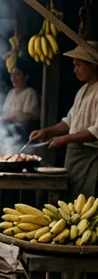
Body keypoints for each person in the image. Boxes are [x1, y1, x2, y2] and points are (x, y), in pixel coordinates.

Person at [30, 42, 98, 197]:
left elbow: (96, 131)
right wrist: (46, 132)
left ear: (93, 65)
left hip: (91, 156)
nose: (74, 70)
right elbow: (69, 121)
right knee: (71, 198)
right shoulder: (82, 90)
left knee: (86, 200)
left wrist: (65, 139)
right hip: (74, 155)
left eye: (78, 65)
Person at [2, 58, 40, 141]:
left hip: (23, 135)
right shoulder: (11, 93)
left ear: (26, 77)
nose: (13, 78)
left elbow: (28, 116)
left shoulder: (30, 92)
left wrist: (10, 117)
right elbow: (4, 113)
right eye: (12, 75)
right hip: (9, 133)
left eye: (17, 74)